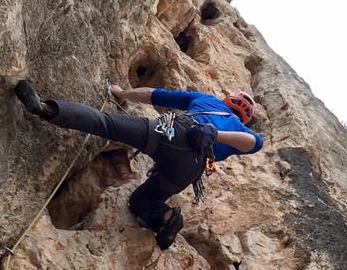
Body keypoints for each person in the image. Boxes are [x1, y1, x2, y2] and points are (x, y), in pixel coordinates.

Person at [14, 80, 262, 248]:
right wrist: (217, 137)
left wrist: (120, 93)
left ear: (227, 100)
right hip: (189, 168)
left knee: (107, 124)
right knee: (143, 201)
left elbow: (154, 95)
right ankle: (166, 219)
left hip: (173, 133)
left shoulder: (204, 99)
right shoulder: (240, 128)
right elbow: (252, 142)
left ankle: (46, 109)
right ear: (244, 117)